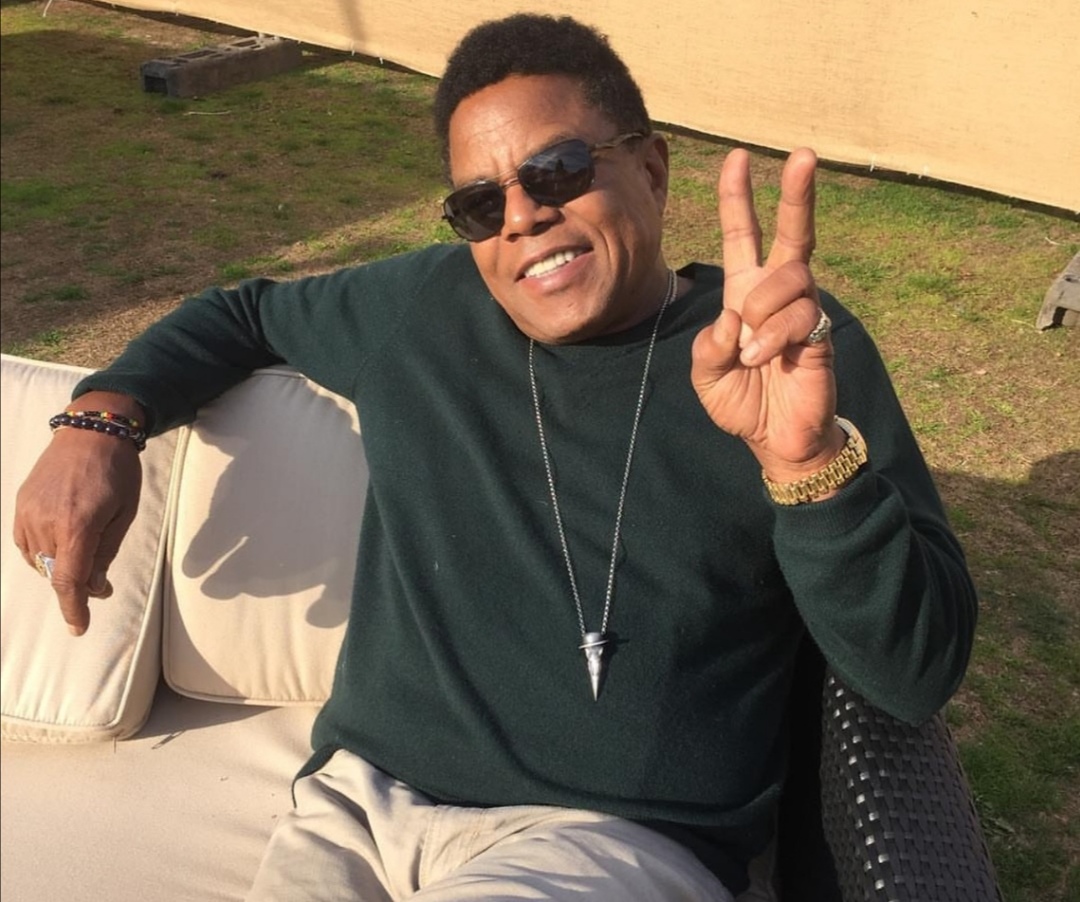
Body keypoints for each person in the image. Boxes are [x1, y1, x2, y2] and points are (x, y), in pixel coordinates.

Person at [13, 13, 977, 902]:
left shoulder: (785, 349)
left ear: (651, 167)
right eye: (480, 203)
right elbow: (240, 313)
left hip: (612, 840)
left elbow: (915, 675)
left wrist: (807, 469)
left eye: (557, 172)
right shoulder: (425, 310)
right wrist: (99, 424)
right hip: (355, 810)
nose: (521, 218)